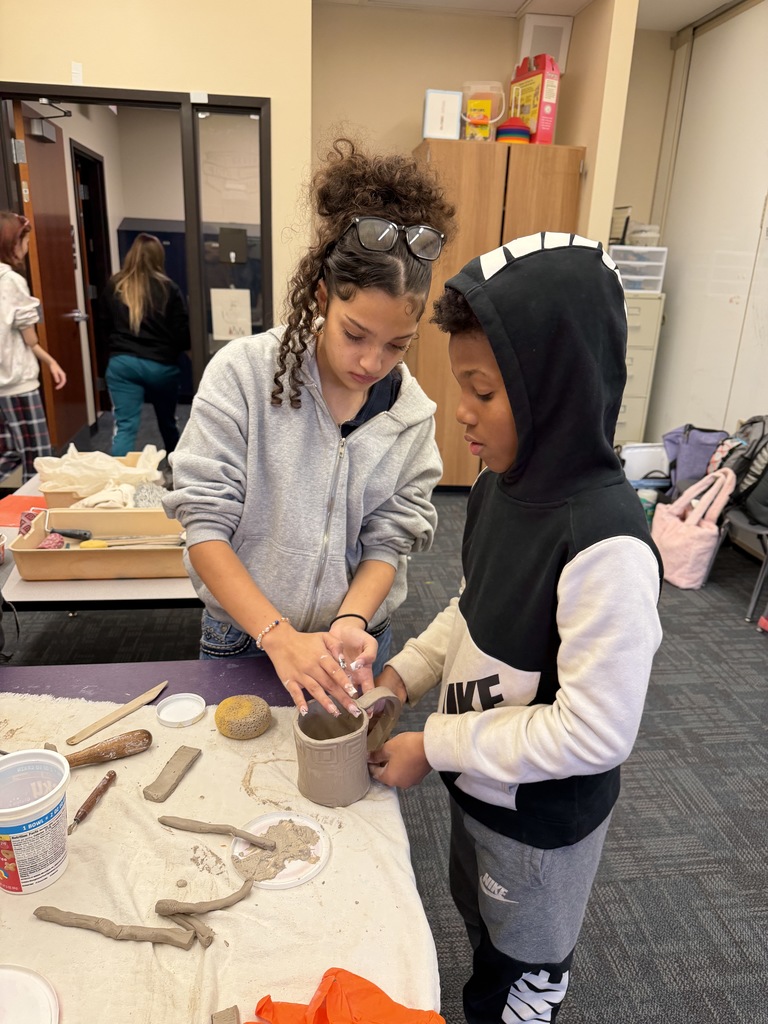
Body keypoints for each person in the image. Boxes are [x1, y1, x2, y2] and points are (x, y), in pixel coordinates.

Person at [370, 233, 664, 1023]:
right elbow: (474, 605)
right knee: (483, 938)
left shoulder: (607, 546)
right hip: (482, 785)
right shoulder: (503, 485)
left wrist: (433, 745)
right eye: (460, 385)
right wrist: (407, 675)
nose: (461, 412)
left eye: (485, 393)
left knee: (522, 973)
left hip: (540, 825)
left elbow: (597, 734)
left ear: (554, 393)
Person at [163, 139, 455, 717]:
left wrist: (351, 619)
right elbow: (204, 525)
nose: (372, 362)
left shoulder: (409, 412)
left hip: (354, 642)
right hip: (243, 637)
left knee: (346, 789)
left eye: (398, 344)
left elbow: (390, 537)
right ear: (323, 296)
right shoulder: (245, 374)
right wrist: (276, 635)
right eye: (354, 333)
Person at [98, 232, 190, 457]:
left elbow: (103, 325)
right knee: (168, 422)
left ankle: (118, 483)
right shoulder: (168, 288)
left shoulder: (115, 285)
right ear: (159, 257)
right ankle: (178, 472)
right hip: (160, 366)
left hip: (123, 364)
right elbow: (182, 333)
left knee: (125, 426)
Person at [0, 211, 67, 483]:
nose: (27, 248)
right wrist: (51, 362)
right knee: (36, 459)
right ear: (11, 243)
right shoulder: (12, 281)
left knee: (6, 454)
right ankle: (30, 520)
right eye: (24, 241)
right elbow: (29, 338)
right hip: (17, 385)